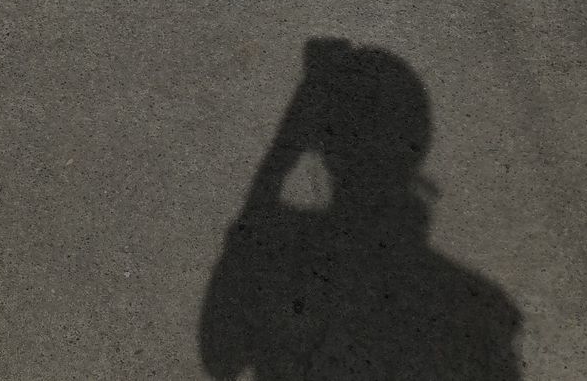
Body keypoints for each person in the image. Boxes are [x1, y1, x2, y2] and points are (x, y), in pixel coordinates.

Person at [200, 38, 522, 380]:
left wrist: (282, 153)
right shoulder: (480, 311)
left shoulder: (278, 260)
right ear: (418, 140)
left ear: (323, 144)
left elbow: (220, 357)